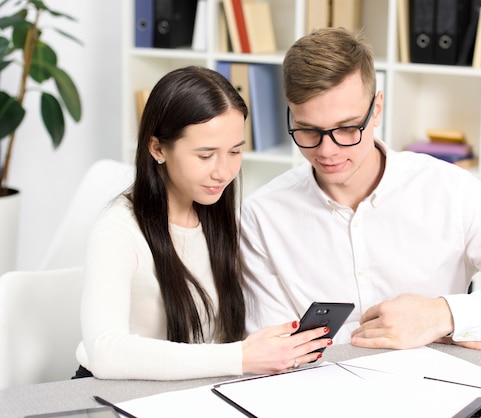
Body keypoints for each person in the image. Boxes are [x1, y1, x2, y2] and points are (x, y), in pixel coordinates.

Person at [240, 28, 481, 351]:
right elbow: (273, 349)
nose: (327, 150)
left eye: (347, 129)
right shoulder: (262, 215)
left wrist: (444, 317)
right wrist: (429, 334)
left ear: (376, 109)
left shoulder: (449, 190)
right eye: (308, 130)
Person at [74, 66, 330, 380]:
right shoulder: (117, 231)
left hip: (191, 391)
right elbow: (105, 352)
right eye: (206, 155)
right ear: (157, 148)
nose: (223, 172)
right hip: (114, 394)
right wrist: (241, 357)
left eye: (235, 152)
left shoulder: (219, 217)